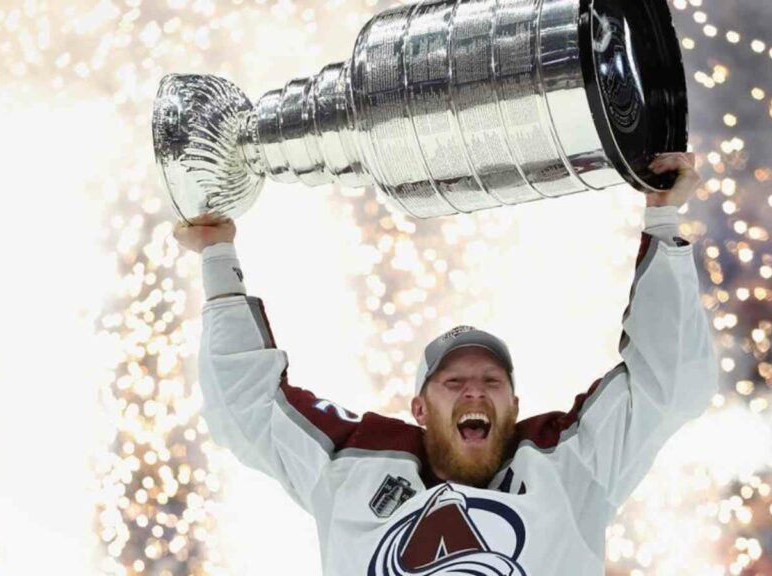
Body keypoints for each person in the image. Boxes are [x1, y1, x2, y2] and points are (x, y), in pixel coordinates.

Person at [173, 152, 718, 575]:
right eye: (453, 381)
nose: (474, 392)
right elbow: (246, 407)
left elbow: (669, 383)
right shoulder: (350, 469)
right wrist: (217, 253)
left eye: (491, 381)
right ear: (419, 407)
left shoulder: (570, 467)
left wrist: (663, 215)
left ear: (515, 404)